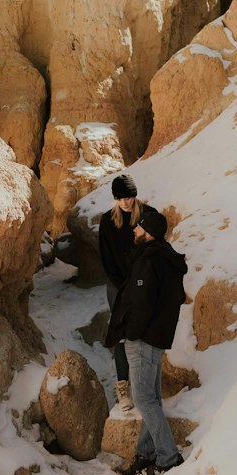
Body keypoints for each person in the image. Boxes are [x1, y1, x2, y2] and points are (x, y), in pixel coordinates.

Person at [105, 205, 188, 475]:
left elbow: (141, 303)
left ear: (149, 233)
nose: (135, 230)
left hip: (141, 339)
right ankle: (147, 452)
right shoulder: (165, 258)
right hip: (156, 338)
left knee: (143, 399)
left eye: (139, 226)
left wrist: (131, 332)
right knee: (150, 398)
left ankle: (168, 457)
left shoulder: (149, 260)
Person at [98, 173, 143, 414]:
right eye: (121, 198)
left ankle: (143, 386)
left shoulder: (147, 216)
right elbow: (106, 258)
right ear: (115, 198)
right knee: (121, 336)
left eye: (130, 197)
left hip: (143, 285)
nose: (126, 202)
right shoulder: (108, 221)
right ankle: (123, 388)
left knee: (142, 334)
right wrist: (122, 285)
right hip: (117, 286)